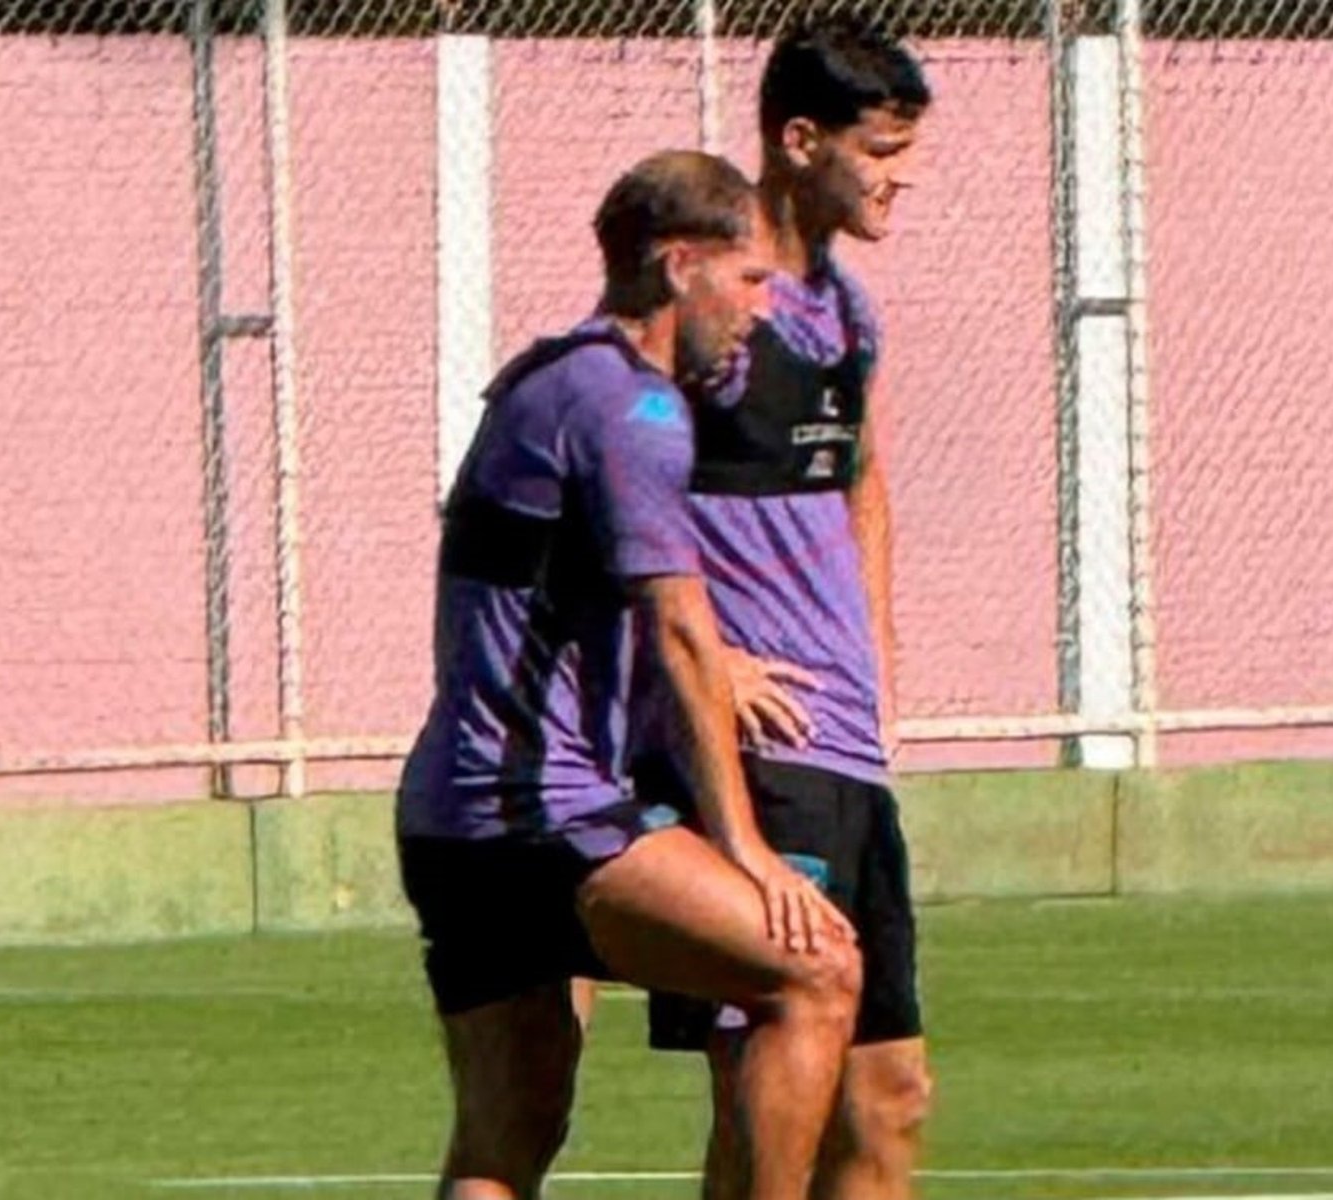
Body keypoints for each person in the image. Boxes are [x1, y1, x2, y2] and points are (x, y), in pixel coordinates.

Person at [395, 149, 862, 1200]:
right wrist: (744, 848)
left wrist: (711, 658)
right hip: (544, 814)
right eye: (747, 278)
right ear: (679, 264)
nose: (760, 310)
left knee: (503, 1143)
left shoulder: (546, 380)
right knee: (817, 970)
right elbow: (677, 624)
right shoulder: (635, 409)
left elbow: (546, 590)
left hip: (450, 821)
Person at [634, 20, 935, 1200]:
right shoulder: (710, 304)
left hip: (844, 746)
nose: (899, 177)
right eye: (879, 151)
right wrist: (709, 663)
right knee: (768, 1093)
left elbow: (863, 481)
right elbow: (607, 485)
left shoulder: (848, 312)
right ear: (799, 141)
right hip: (756, 755)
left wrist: (878, 664)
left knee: (886, 1097)